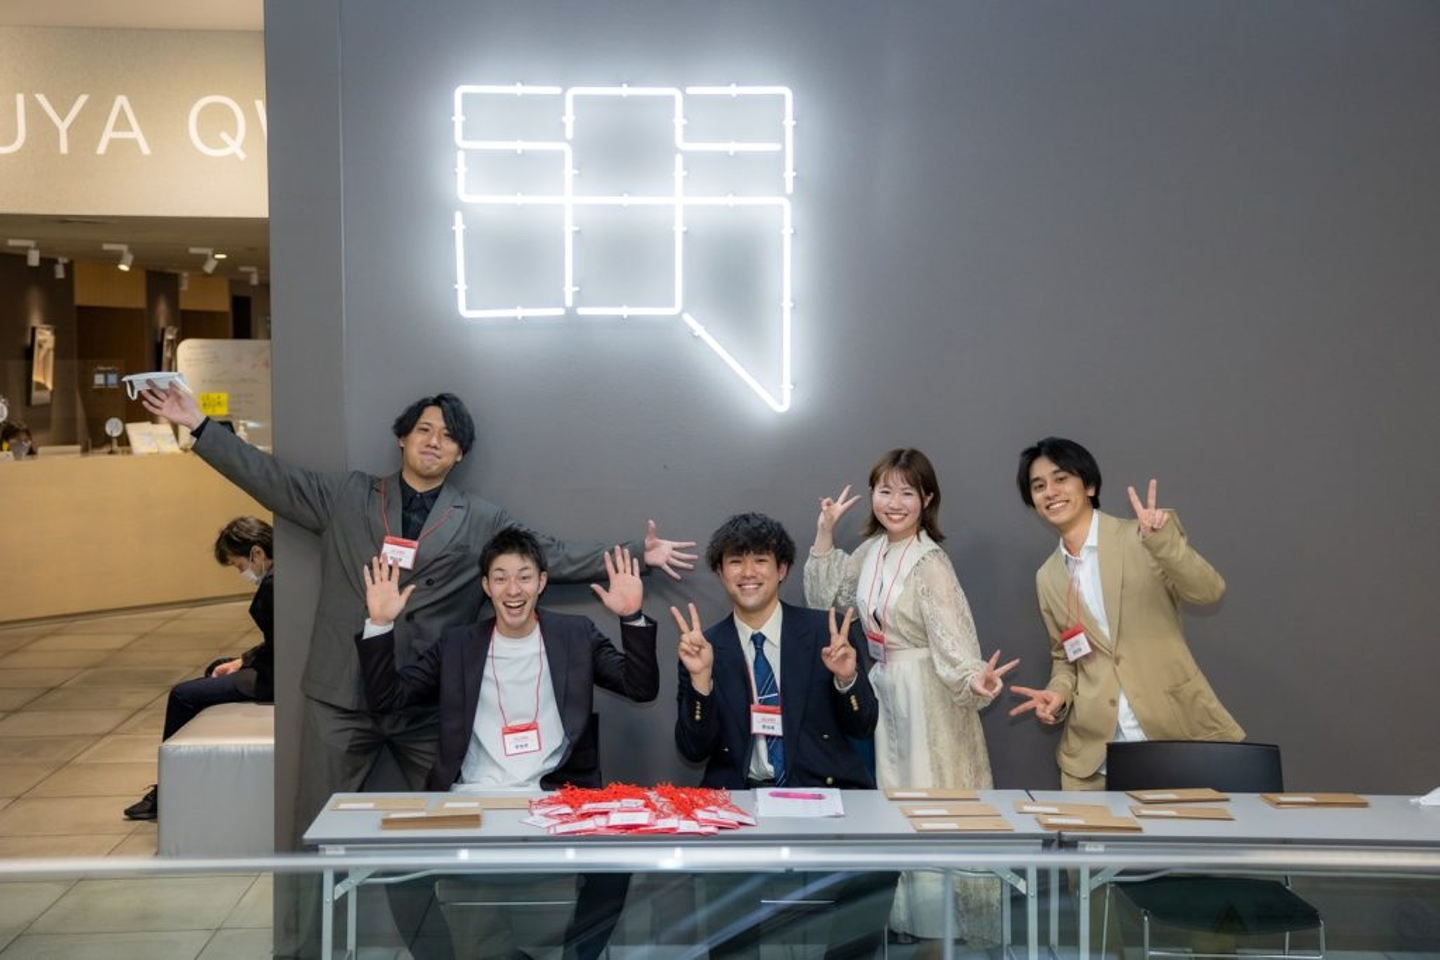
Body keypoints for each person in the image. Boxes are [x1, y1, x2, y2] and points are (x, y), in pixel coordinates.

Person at [139, 384, 694, 957]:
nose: (434, 441)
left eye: (448, 437)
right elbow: (270, 479)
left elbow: (545, 555)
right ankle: (303, 951)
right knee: (313, 837)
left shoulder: (479, 518)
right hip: (341, 695)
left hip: (429, 706)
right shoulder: (347, 495)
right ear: (402, 437)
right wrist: (200, 428)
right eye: (424, 429)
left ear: (460, 454)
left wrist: (638, 555)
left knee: (433, 842)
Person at [357, 527, 659, 960]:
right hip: (471, 801)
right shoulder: (458, 644)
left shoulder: (575, 635)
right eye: (500, 578)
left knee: (615, 865)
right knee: (397, 868)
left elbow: (640, 687)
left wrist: (632, 618)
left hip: (557, 802)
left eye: (524, 576)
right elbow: (387, 699)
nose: (513, 589)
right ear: (486, 586)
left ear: (542, 582)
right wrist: (380, 624)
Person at [804, 449, 1013, 951]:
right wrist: (825, 533)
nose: (894, 503)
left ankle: (941, 932)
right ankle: (902, 919)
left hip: (927, 695)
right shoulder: (869, 552)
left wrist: (975, 681)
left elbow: (954, 642)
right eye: (884, 491)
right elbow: (827, 602)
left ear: (927, 499)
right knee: (892, 800)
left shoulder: (931, 563)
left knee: (930, 797)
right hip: (882, 688)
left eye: (907, 492)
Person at [673, 512, 892, 959]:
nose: (748, 572)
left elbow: (862, 725)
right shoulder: (704, 646)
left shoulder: (825, 633)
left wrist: (847, 678)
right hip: (742, 799)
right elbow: (693, 749)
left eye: (760, 560)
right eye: (736, 561)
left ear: (782, 569)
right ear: (720, 572)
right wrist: (701, 681)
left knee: (878, 868)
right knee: (722, 890)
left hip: (822, 793)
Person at [1009, 437, 1243, 790]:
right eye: (1038, 486)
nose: (1050, 492)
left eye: (1061, 479)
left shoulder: (1143, 535)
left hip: (1173, 737)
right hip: (1091, 759)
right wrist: (1058, 694)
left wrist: (1160, 542)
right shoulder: (1048, 576)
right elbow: (1066, 658)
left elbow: (1209, 591)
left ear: (1089, 485)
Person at [124, 516, 275, 821]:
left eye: (239, 566)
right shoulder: (291, 571)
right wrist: (241, 661)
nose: (242, 573)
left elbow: (280, 647)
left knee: (183, 695)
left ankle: (167, 791)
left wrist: (247, 662)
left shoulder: (274, 585)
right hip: (278, 666)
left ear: (257, 553)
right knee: (216, 668)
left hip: (276, 677)